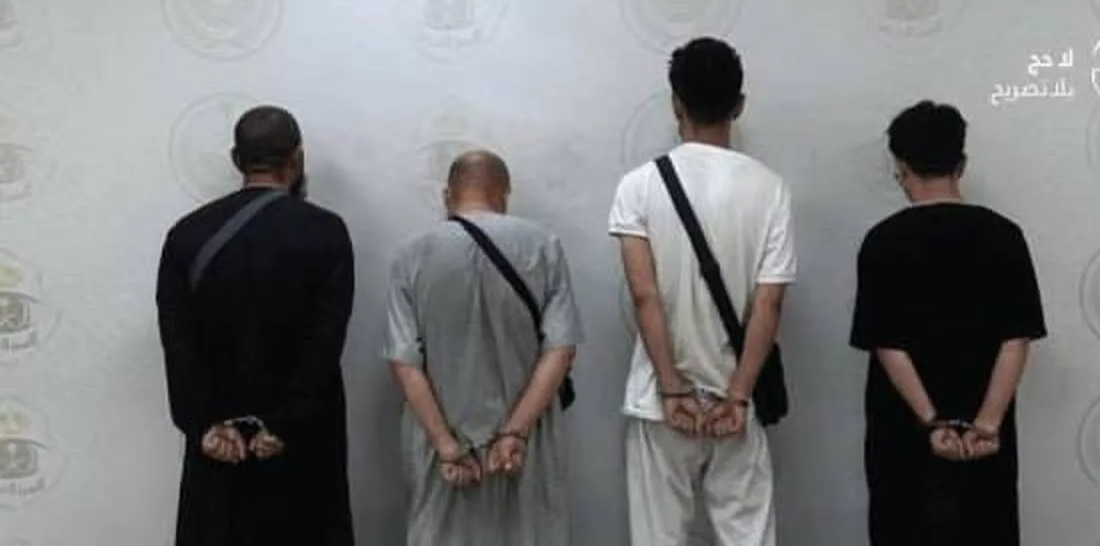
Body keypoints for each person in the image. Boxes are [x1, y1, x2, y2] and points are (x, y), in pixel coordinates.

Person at [608, 37, 796, 546]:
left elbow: (644, 296)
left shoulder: (637, 186)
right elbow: (770, 303)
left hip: (660, 400)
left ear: (676, 103)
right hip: (737, 399)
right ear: (739, 104)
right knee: (748, 535)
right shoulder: (770, 189)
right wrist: (738, 394)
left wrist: (672, 388)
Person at [849, 100, 1048, 546]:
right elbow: (1016, 338)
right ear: (961, 163)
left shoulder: (883, 241)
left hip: (903, 433)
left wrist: (931, 422)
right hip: (985, 440)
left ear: (901, 167)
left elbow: (888, 344)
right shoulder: (1004, 235)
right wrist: (987, 424)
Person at [155, 106, 355, 545]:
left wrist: (202, 425)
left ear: (236, 159)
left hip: (219, 448)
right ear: (298, 158)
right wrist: (283, 424)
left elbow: (177, 342)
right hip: (302, 446)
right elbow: (326, 341)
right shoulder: (326, 232)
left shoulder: (186, 235)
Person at [382, 149, 584, 546]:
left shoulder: (411, 254)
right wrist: (514, 433)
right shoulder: (543, 246)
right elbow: (561, 351)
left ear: (447, 195)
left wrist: (445, 444)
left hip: (439, 441)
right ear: (504, 194)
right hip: (527, 442)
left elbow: (403, 362)